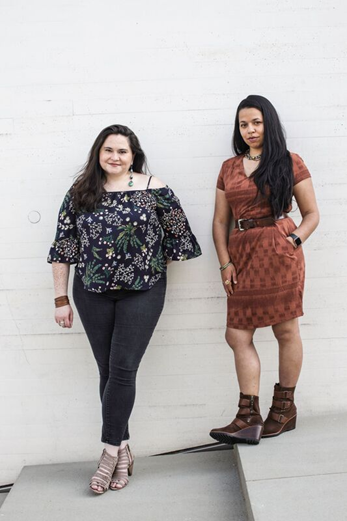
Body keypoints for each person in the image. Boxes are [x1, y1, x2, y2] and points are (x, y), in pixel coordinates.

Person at [48, 124, 201, 494]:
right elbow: (63, 247)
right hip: (91, 292)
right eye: (108, 150)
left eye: (122, 151)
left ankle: (106, 454)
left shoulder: (154, 188)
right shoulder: (81, 192)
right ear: (98, 154)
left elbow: (181, 238)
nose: (114, 157)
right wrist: (60, 299)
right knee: (109, 371)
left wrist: (145, 263)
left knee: (122, 368)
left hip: (142, 292)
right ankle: (124, 451)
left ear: (134, 156)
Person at [209, 95, 319, 446]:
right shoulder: (229, 167)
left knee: (285, 331)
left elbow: (312, 214)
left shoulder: (289, 161)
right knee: (237, 335)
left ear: (268, 123)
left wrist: (294, 241)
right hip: (242, 252)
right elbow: (219, 221)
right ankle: (248, 416)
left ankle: (284, 409)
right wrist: (225, 262)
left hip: (279, 250)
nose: (250, 129)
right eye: (244, 124)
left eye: (256, 122)